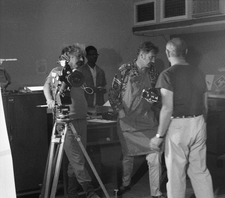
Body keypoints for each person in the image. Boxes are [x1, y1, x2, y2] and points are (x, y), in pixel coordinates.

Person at [150, 38, 214, 198]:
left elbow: (167, 108)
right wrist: (201, 123)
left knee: (176, 174)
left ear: (167, 53)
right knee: (200, 171)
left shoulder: (167, 75)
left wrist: (159, 136)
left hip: (178, 125)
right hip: (199, 121)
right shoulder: (199, 72)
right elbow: (206, 104)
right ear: (185, 52)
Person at [108, 41, 165, 198]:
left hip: (147, 120)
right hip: (127, 120)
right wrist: (120, 113)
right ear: (142, 54)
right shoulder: (124, 70)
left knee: (155, 155)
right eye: (151, 57)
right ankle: (126, 184)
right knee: (128, 156)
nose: (153, 61)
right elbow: (113, 94)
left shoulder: (153, 72)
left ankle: (156, 192)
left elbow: (156, 93)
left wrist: (154, 97)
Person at [43, 44, 100, 198]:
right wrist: (49, 100)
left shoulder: (79, 73)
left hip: (81, 118)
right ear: (67, 57)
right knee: (76, 158)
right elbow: (46, 87)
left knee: (78, 157)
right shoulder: (57, 72)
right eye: (78, 57)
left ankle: (72, 193)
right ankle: (89, 191)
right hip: (67, 121)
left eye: (82, 56)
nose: (81, 59)